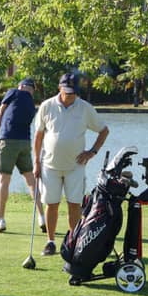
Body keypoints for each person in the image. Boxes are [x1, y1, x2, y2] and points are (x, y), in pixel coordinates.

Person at [32, 73, 109, 256]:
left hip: (75, 165)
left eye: (73, 92)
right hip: (49, 165)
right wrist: (36, 161)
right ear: (59, 88)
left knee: (74, 204)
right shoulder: (47, 106)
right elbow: (39, 135)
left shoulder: (85, 108)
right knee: (52, 203)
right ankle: (50, 242)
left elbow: (104, 131)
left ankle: (74, 242)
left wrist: (92, 152)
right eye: (67, 92)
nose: (70, 95)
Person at [0, 78, 44, 233]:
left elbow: (0, 115)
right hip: (25, 143)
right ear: (31, 89)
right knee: (31, 180)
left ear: (22, 86)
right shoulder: (32, 104)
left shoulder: (13, 92)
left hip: (8, 141)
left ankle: (0, 220)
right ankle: (42, 217)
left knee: (4, 180)